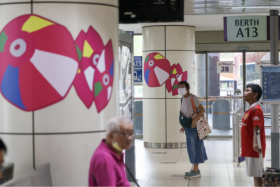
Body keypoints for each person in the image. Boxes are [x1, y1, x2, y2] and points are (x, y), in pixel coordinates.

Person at [88, 116, 134, 186]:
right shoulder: (105, 159)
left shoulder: (116, 153)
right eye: (124, 134)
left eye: (131, 134)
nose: (130, 138)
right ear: (111, 136)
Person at [178, 81, 208, 178]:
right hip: (188, 127)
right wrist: (184, 125)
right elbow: (185, 113)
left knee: (196, 148)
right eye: (179, 87)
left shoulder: (193, 98)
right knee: (191, 148)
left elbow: (202, 110)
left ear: (188, 88)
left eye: (182, 86)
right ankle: (195, 168)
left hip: (194, 127)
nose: (180, 88)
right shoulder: (182, 99)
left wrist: (195, 120)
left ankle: (196, 171)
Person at [241, 84, 266, 187]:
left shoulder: (256, 109)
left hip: (255, 149)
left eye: (247, 91)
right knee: (256, 175)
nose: (244, 93)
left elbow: (257, 127)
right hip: (250, 148)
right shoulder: (251, 109)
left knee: (258, 174)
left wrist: (255, 144)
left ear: (255, 94)